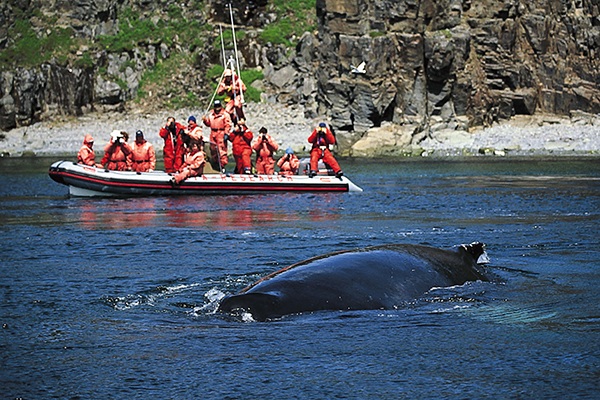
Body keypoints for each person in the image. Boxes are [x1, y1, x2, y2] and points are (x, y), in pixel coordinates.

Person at [202, 100, 232, 173]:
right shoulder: (211, 114)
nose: (217, 108)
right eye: (216, 106)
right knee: (213, 150)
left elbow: (228, 124)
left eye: (218, 106)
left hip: (221, 132)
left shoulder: (225, 114)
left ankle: (223, 166)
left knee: (221, 150)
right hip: (213, 133)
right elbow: (209, 124)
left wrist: (226, 133)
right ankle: (216, 166)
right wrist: (205, 120)